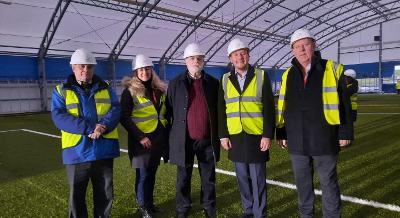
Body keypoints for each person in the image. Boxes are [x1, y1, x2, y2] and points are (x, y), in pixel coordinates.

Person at [276, 28, 353, 218]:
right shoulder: (287, 74)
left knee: (328, 182)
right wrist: (282, 132)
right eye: (297, 46)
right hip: (297, 140)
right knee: (303, 185)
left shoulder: (332, 68)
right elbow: (283, 105)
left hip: (324, 138)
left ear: (314, 45)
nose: (302, 49)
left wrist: (345, 133)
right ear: (292, 50)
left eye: (306, 44)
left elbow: (344, 103)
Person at [51, 48, 120, 217]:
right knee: (77, 197)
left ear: (94, 68)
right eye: (82, 66)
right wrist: (89, 128)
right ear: (73, 67)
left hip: (103, 150)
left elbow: (116, 108)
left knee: (105, 195)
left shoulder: (106, 87)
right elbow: (59, 116)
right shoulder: (61, 90)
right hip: (76, 152)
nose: (86, 70)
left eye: (89, 67)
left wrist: (103, 126)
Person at [218, 38, 275, 218]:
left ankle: (260, 213)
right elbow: (221, 110)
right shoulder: (225, 79)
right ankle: (248, 210)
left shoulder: (261, 75)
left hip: (256, 135)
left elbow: (269, 108)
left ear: (248, 55)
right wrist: (222, 135)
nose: (239, 57)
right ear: (230, 58)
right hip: (235, 136)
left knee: (257, 179)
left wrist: (267, 135)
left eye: (242, 53)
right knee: (242, 177)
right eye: (235, 54)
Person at [166, 43, 220, 218]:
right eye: (192, 58)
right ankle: (183, 207)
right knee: (183, 177)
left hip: (207, 140)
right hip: (184, 140)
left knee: (208, 177)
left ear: (203, 60)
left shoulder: (213, 83)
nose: (195, 61)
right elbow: (168, 110)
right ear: (185, 61)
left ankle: (209, 206)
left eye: (199, 58)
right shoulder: (175, 84)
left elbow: (219, 111)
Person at [120, 54, 168, 218]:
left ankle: (149, 204)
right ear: (135, 71)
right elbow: (124, 118)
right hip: (140, 141)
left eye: (147, 69)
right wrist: (141, 137)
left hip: (157, 139)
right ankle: (143, 207)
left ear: (151, 70)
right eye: (141, 69)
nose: (145, 72)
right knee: (143, 175)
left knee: (152, 173)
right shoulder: (129, 92)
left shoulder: (158, 89)